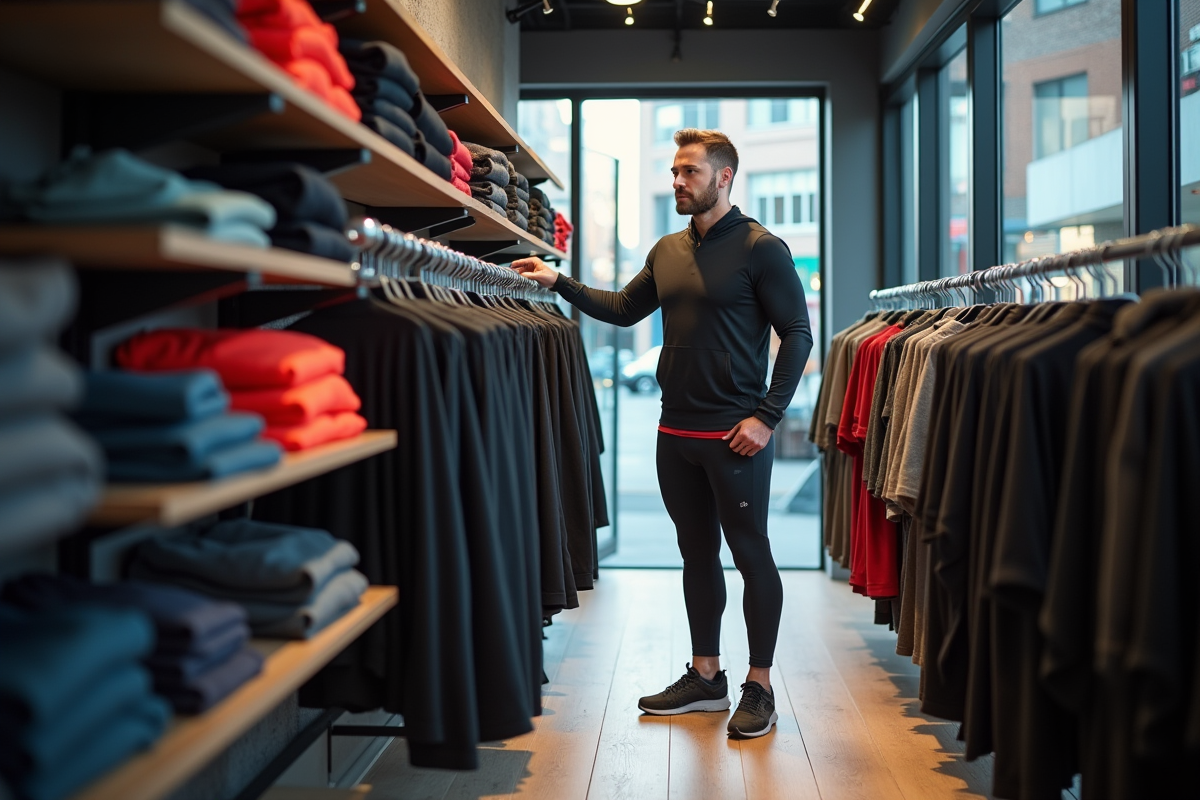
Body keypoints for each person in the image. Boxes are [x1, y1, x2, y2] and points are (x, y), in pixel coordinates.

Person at [512, 128, 813, 739]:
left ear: (724, 177)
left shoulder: (763, 248)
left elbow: (799, 334)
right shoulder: (667, 249)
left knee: (751, 553)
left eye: (690, 172)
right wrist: (558, 282)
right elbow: (624, 310)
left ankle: (760, 686)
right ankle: (707, 677)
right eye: (675, 172)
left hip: (736, 435)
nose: (677, 182)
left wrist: (767, 416)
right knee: (695, 555)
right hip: (673, 430)